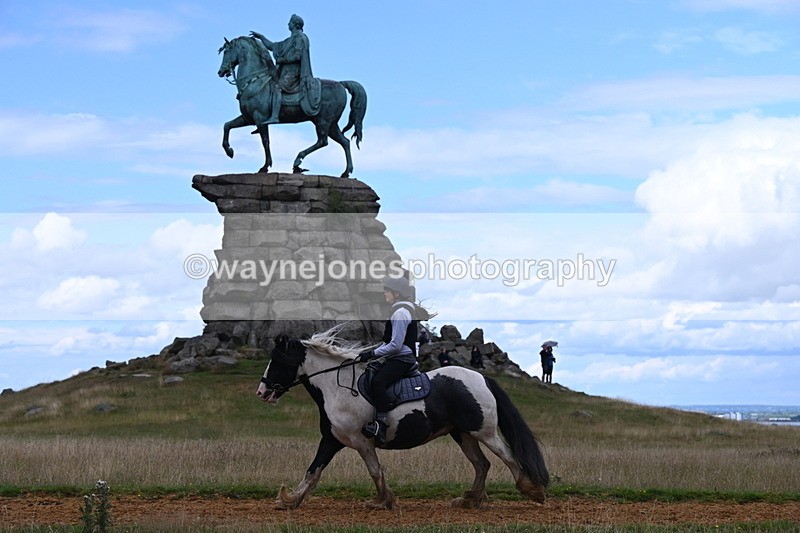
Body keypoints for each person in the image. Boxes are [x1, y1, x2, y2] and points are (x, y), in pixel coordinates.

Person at [356, 273, 418, 445]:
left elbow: (396, 345)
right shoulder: (401, 310)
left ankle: (381, 425)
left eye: (387, 291)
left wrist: (372, 354)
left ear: (397, 293)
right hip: (399, 356)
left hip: (402, 358)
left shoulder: (400, 313)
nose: (385, 294)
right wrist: (370, 353)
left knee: (378, 382)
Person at [250, 14, 321, 125]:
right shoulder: (289, 40)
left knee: (277, 87)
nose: (288, 23)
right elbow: (273, 46)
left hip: (294, 73)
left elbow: (297, 56)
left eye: (290, 22)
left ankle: (274, 116)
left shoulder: (300, 38)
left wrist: (282, 60)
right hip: (284, 72)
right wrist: (261, 37)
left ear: (295, 24)